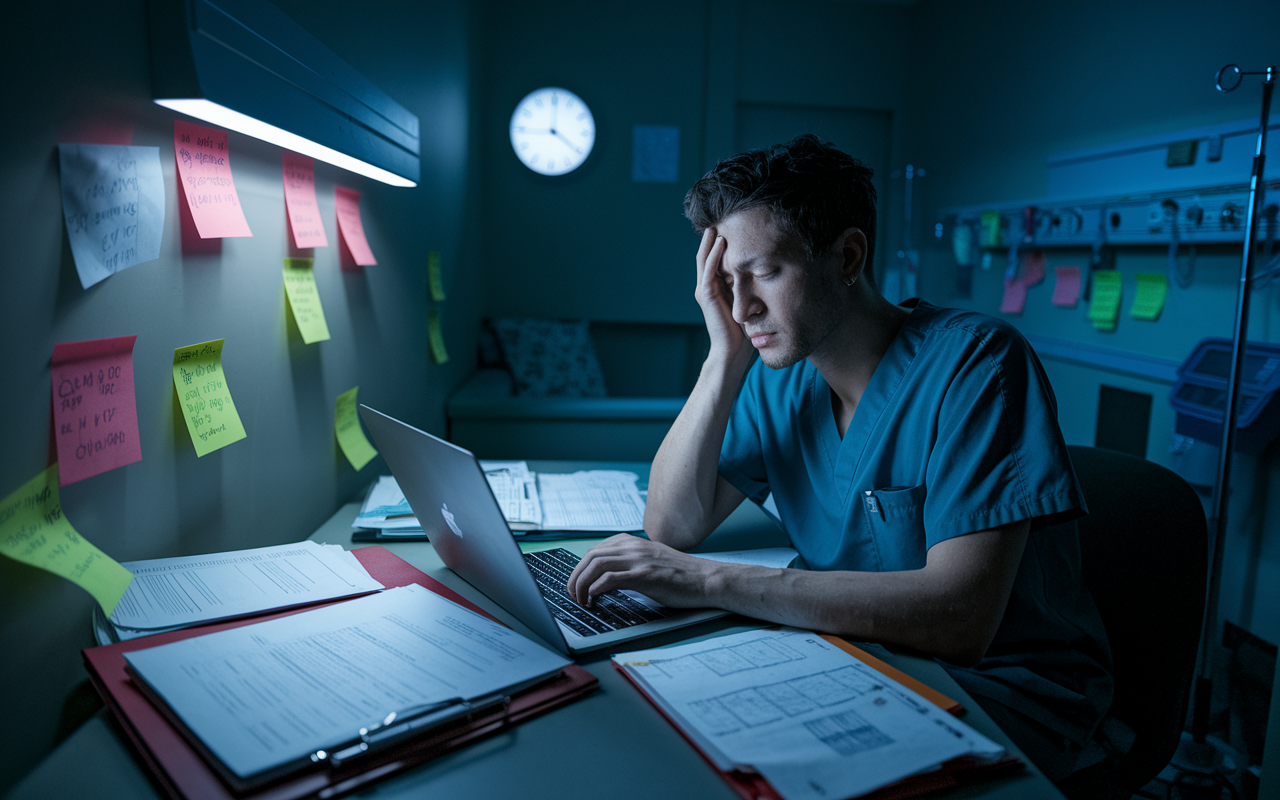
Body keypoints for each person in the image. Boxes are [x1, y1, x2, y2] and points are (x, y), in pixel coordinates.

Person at [567, 134, 1114, 781]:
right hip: (854, 659)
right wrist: (723, 358)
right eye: (725, 282)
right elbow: (672, 525)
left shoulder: (978, 364)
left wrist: (708, 581)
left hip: (995, 691)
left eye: (764, 272)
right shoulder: (779, 377)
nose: (742, 309)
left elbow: (961, 618)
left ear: (847, 256)